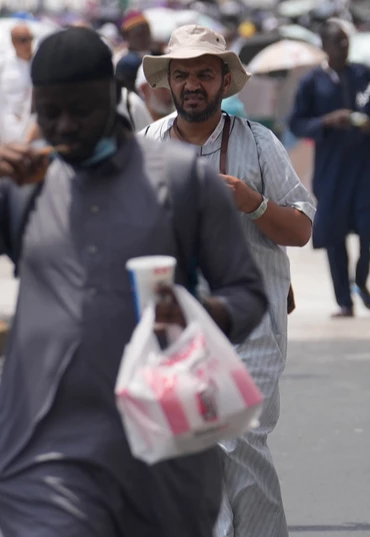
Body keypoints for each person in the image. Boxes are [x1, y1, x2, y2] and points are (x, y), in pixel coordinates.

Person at [0, 27, 268, 536]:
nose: (63, 126)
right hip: (41, 455)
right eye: (48, 111)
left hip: (161, 454)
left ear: (112, 94)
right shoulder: (23, 186)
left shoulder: (184, 179)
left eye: (78, 109)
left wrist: (196, 314)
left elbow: (247, 294)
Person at [141, 25, 316, 537]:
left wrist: (252, 203)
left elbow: (302, 228)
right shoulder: (147, 146)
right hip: (175, 329)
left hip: (253, 326)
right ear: (168, 83)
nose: (193, 83)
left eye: (203, 73)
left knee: (233, 437)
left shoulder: (259, 144)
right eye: (182, 74)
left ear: (223, 80)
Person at [289, 19, 370, 318]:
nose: (343, 47)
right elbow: (297, 122)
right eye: (337, 42)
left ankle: (362, 281)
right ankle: (344, 300)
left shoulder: (363, 75)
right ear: (325, 46)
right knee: (334, 235)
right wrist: (327, 121)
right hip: (331, 171)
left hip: (363, 166)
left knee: (369, 230)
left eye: (346, 41)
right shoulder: (312, 82)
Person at [0, 23, 34, 143]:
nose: (28, 44)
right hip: (8, 127)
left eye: (30, 38)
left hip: (33, 126)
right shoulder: (4, 65)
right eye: (23, 40)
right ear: (14, 42)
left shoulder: (39, 63)